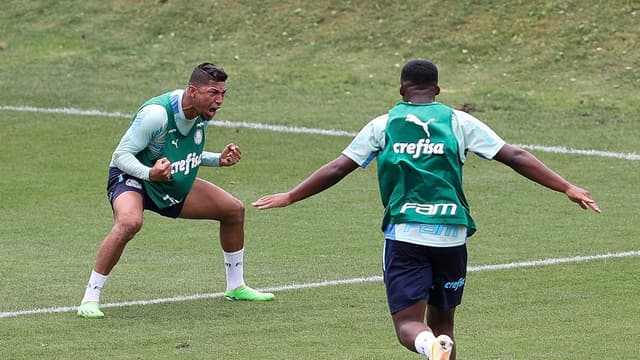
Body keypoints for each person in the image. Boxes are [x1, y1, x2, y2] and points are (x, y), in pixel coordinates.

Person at [252, 59, 600, 359]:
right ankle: (437, 347)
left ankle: (428, 347)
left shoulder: (383, 124)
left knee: (409, 325)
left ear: (402, 89)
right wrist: (566, 186)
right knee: (444, 327)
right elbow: (516, 157)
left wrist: (291, 196)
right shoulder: (459, 121)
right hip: (452, 236)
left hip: (406, 234)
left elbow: (337, 168)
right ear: (437, 89)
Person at [78, 62, 274, 319]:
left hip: (169, 181)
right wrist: (150, 173)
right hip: (133, 178)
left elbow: (186, 152)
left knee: (233, 210)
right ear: (193, 91)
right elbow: (121, 155)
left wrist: (218, 160)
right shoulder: (156, 115)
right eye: (213, 93)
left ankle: (235, 286)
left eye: (223, 94)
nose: (219, 101)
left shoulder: (202, 114)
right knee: (129, 223)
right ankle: (90, 298)